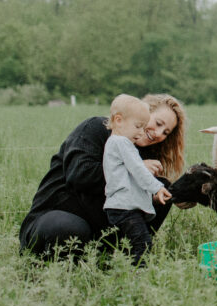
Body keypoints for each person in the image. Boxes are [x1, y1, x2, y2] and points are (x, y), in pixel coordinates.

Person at [19, 93, 188, 259]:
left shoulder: (141, 154)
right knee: (69, 230)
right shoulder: (97, 128)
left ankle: (124, 253)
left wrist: (175, 195)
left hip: (99, 226)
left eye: (165, 132)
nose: (158, 133)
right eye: (158, 123)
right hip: (59, 213)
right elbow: (79, 174)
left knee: (162, 188)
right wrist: (133, 169)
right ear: (143, 111)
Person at [102, 95, 174, 265]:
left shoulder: (113, 142)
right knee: (142, 244)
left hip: (119, 206)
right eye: (138, 126)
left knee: (129, 244)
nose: (141, 132)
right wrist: (157, 187)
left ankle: (120, 268)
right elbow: (138, 170)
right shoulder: (122, 143)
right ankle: (138, 277)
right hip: (125, 207)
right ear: (118, 121)